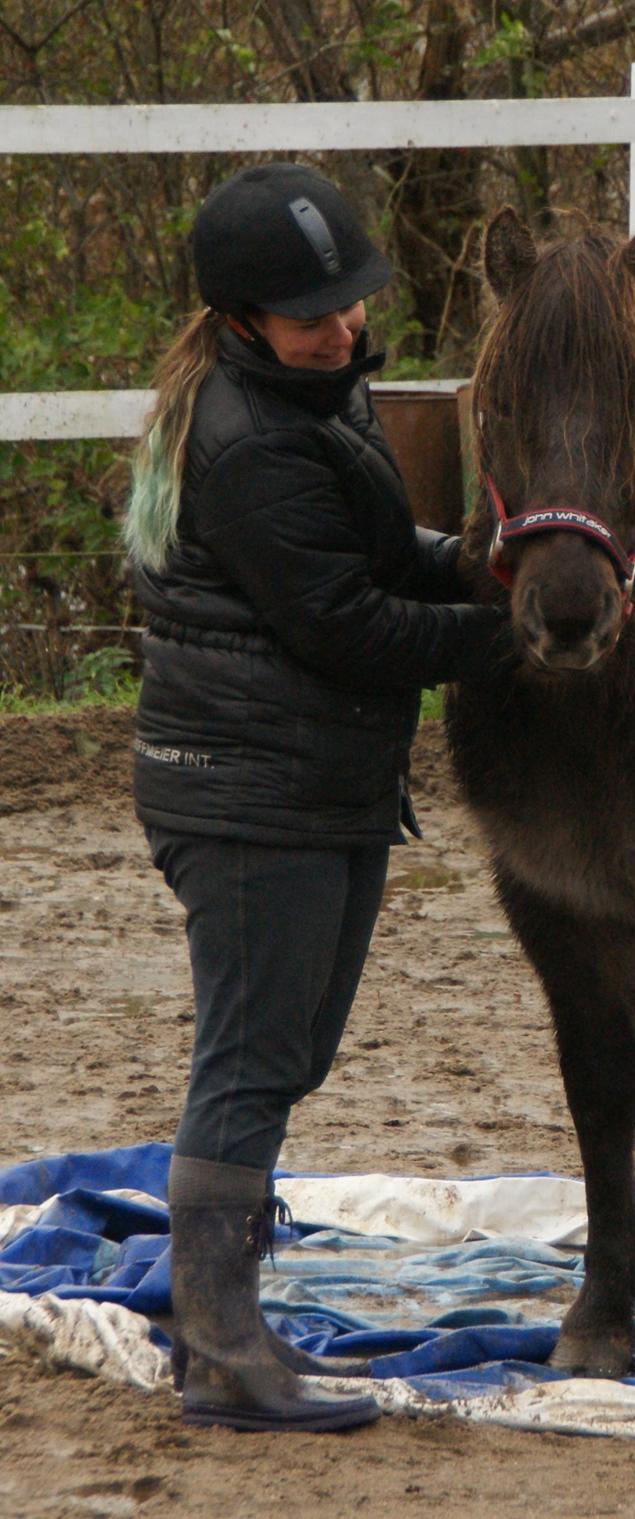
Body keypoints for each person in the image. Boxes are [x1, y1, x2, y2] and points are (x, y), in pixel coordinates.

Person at [123, 162, 507, 1433]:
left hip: (310, 780)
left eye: (349, 302)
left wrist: (487, 562)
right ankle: (223, 1344)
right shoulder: (243, 444)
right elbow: (345, 624)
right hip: (244, 791)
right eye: (312, 315)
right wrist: (516, 639)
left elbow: (385, 561)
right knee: (249, 1056)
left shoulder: (318, 398)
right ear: (241, 322)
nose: (343, 328)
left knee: (290, 1048)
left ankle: (229, 1323)